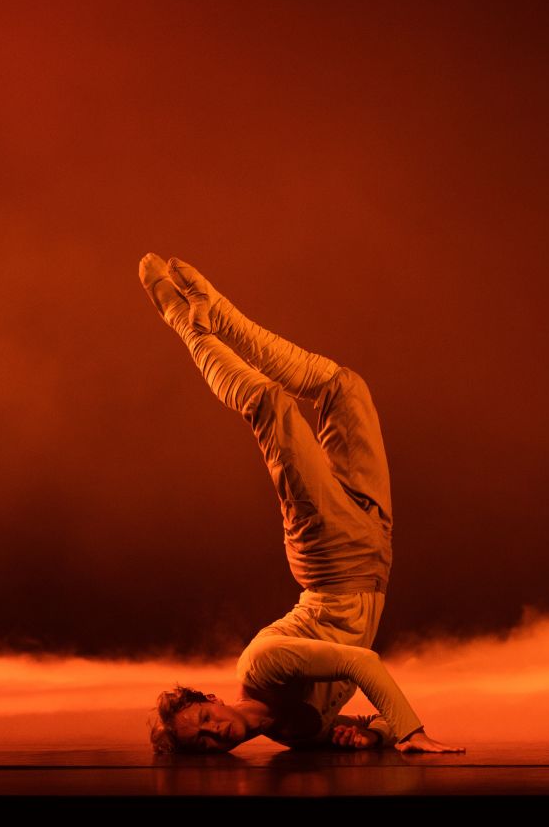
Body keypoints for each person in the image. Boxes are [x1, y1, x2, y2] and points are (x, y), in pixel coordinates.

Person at [138, 253, 464, 755]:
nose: (212, 731)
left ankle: (189, 321)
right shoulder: (298, 735)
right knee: (343, 386)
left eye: (204, 717)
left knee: (272, 407)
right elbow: (371, 717)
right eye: (202, 741)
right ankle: (211, 313)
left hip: (332, 561)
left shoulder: (261, 663)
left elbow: (363, 664)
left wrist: (409, 732)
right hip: (374, 548)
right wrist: (370, 734)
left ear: (213, 699)